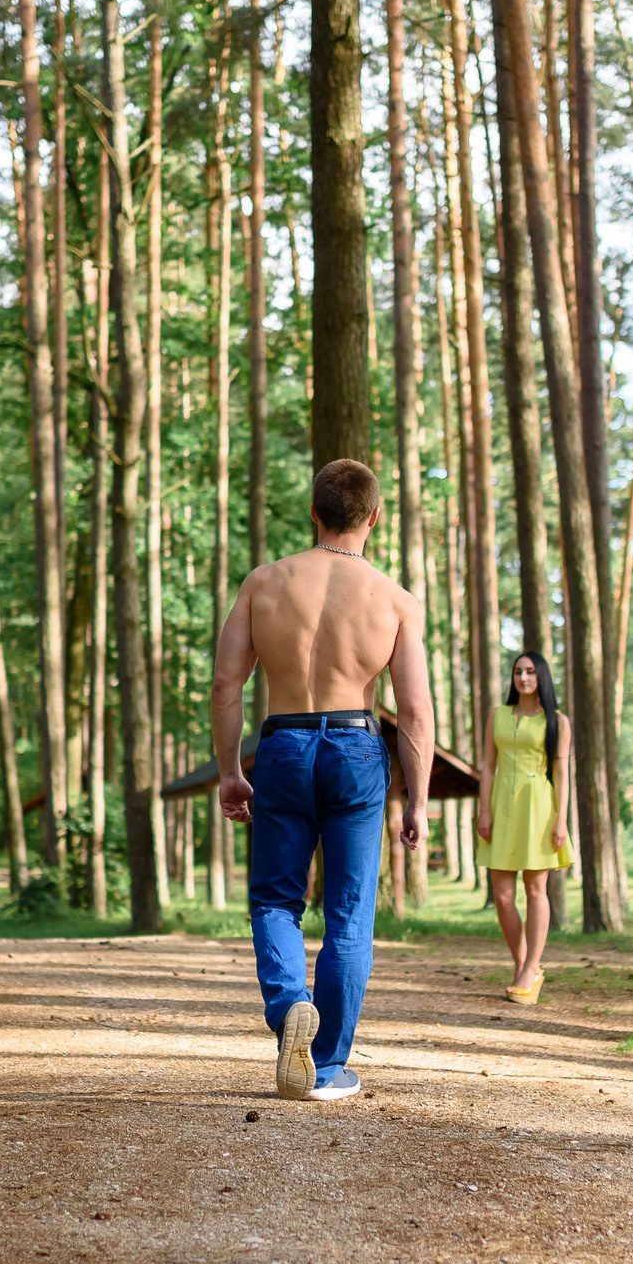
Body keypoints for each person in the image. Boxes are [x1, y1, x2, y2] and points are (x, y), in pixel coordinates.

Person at [212, 459, 433, 1100]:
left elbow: (228, 684)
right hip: (356, 750)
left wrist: (231, 771)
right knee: (348, 912)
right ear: (375, 516)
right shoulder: (394, 600)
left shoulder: (264, 583)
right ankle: (328, 1067)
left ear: (313, 512)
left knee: (276, 900)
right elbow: (415, 711)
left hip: (282, 745)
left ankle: (289, 1013)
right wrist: (415, 799)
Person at [476, 652, 572, 1005]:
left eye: (531, 672)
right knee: (502, 894)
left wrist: (561, 818)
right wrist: (484, 810)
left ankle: (531, 968)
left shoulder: (557, 721)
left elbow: (561, 774)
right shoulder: (498, 715)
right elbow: (488, 765)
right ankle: (522, 964)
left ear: (541, 677)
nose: (524, 677)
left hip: (539, 805)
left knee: (535, 890)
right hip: (502, 803)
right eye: (518, 671)